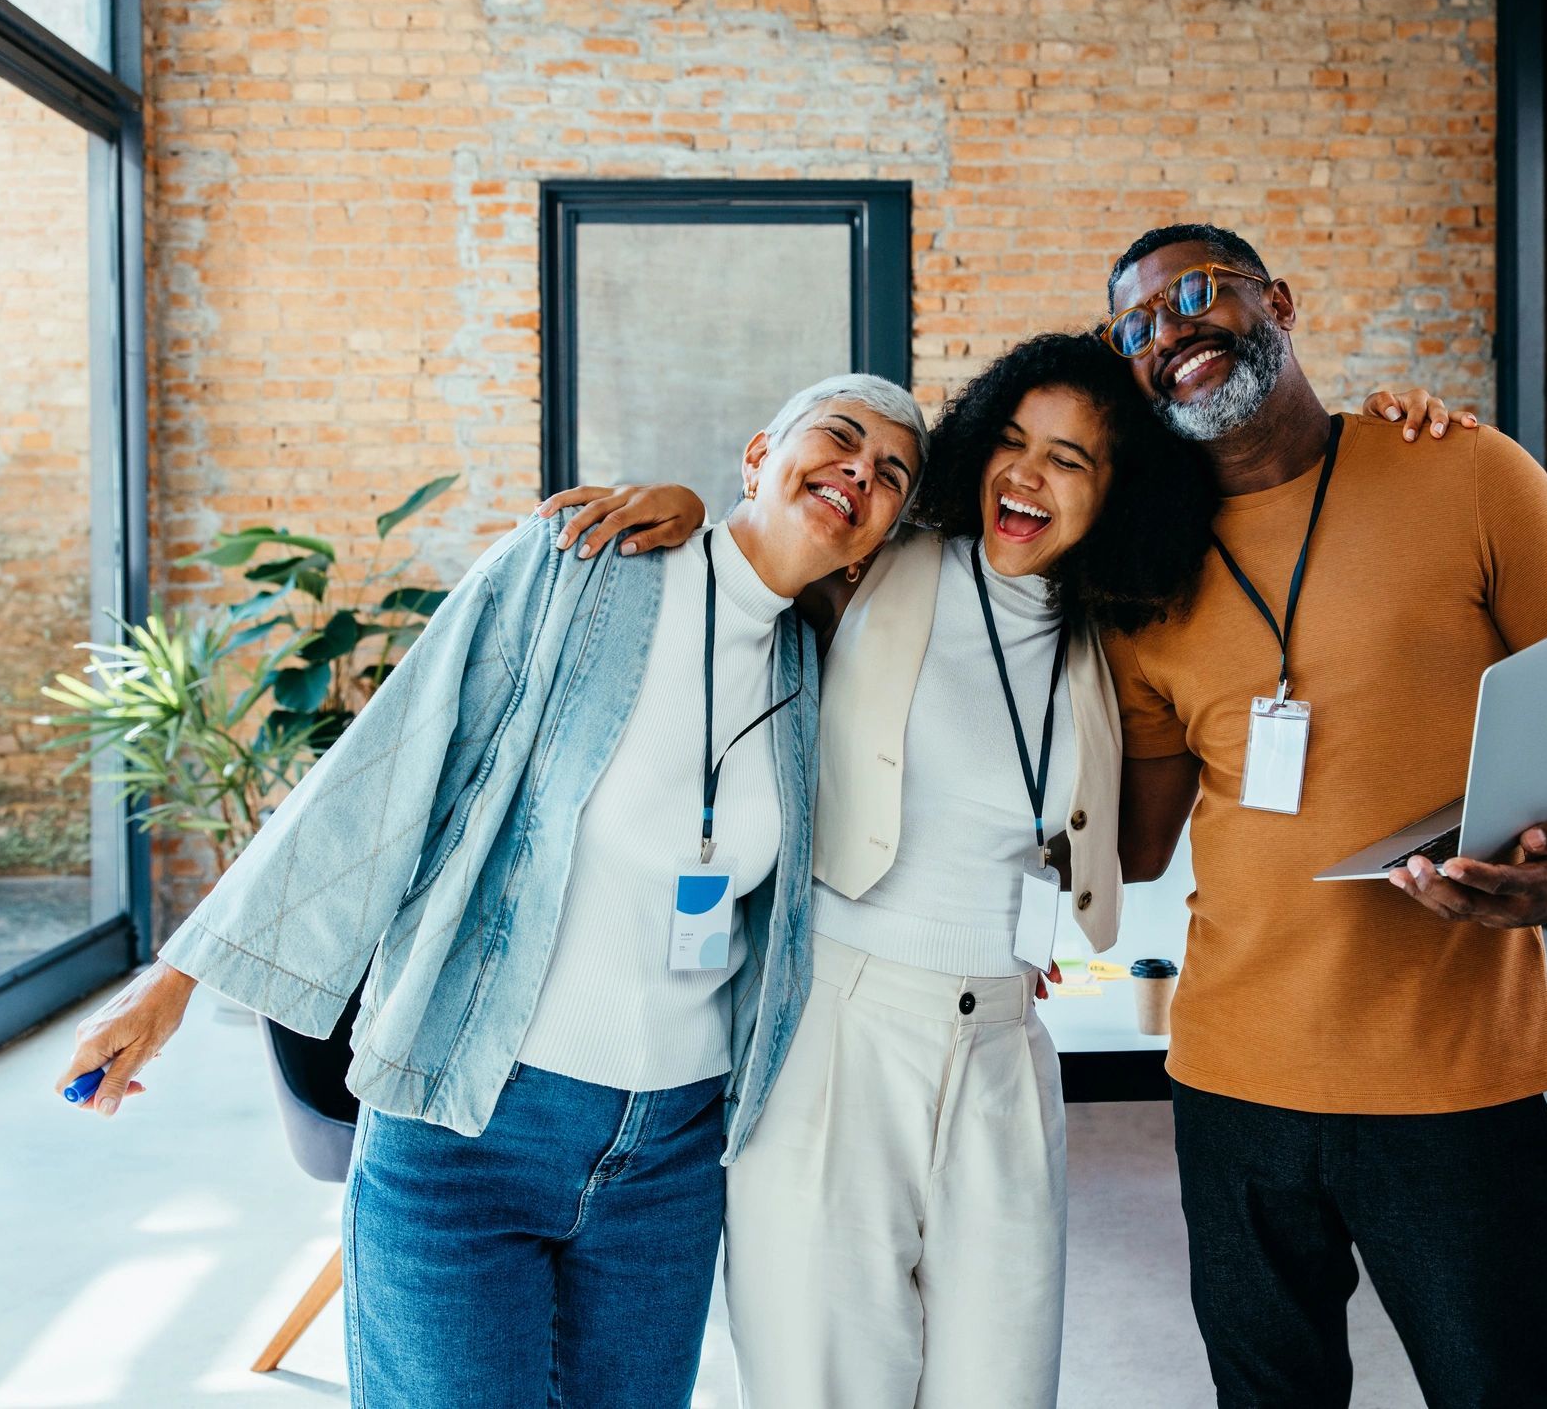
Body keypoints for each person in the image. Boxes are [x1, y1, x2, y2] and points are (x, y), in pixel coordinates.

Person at [538, 339, 1465, 1409]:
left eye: (1070, 460)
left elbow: (1138, 847)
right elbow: (772, 529)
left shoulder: (1107, 637)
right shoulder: (871, 568)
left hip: (1007, 1048)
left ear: (1117, 491)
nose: (1026, 475)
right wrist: (691, 506)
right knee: (824, 1383)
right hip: (837, 1030)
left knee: (1002, 1385)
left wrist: (1394, 433)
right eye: (1012, 443)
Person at [54, 375, 925, 1408]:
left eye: (890, 475)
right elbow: (386, 762)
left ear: (877, 539)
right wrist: (176, 979)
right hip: (468, 1121)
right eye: (836, 437)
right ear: (753, 455)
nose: (857, 471)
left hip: (670, 1163)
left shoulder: (816, 666)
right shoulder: (576, 569)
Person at [1103, 223, 1547, 1409]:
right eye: (1136, 328)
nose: (1170, 331)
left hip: (1453, 1079)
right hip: (1230, 1083)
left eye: (1195, 293)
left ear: (1281, 300)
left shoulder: (1464, 471)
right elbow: (1130, 841)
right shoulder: (1144, 572)